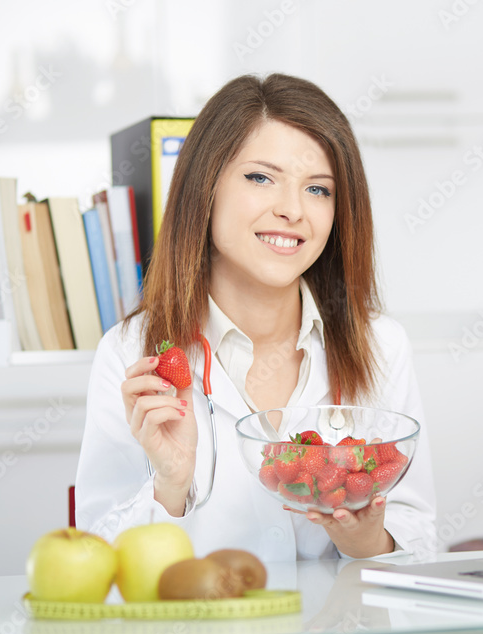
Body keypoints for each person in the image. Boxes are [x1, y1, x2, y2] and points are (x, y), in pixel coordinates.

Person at [75, 73, 436, 562]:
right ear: (206, 187)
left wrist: (365, 540)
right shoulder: (130, 352)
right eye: (261, 178)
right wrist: (171, 486)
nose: (292, 210)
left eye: (318, 189)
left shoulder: (381, 345)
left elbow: (418, 543)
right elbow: (99, 566)